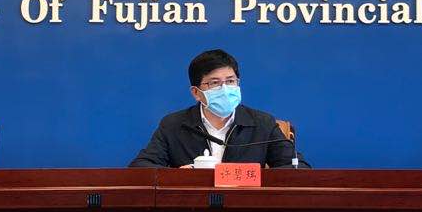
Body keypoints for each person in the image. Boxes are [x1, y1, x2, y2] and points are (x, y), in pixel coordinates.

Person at [129, 48, 306, 168]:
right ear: (196, 93)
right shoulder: (174, 125)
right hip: (192, 208)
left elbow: (298, 167)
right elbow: (141, 167)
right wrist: (178, 177)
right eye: (214, 83)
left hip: (245, 208)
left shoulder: (262, 123)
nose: (224, 89)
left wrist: (256, 180)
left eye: (230, 81)